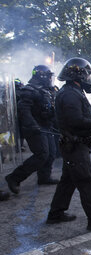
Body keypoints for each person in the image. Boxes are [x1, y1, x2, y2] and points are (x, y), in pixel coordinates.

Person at [46, 57, 91, 233]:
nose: (89, 78)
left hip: (74, 145)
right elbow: (75, 121)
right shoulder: (69, 93)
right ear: (79, 75)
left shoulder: (74, 91)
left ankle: (55, 213)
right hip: (74, 146)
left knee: (68, 181)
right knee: (86, 181)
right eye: (87, 74)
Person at [5, 65, 58, 195]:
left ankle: (44, 177)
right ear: (42, 75)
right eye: (49, 76)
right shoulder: (29, 90)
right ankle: (14, 178)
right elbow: (24, 110)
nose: (51, 79)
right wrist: (33, 125)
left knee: (51, 153)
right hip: (34, 128)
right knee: (41, 155)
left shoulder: (44, 90)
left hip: (45, 126)